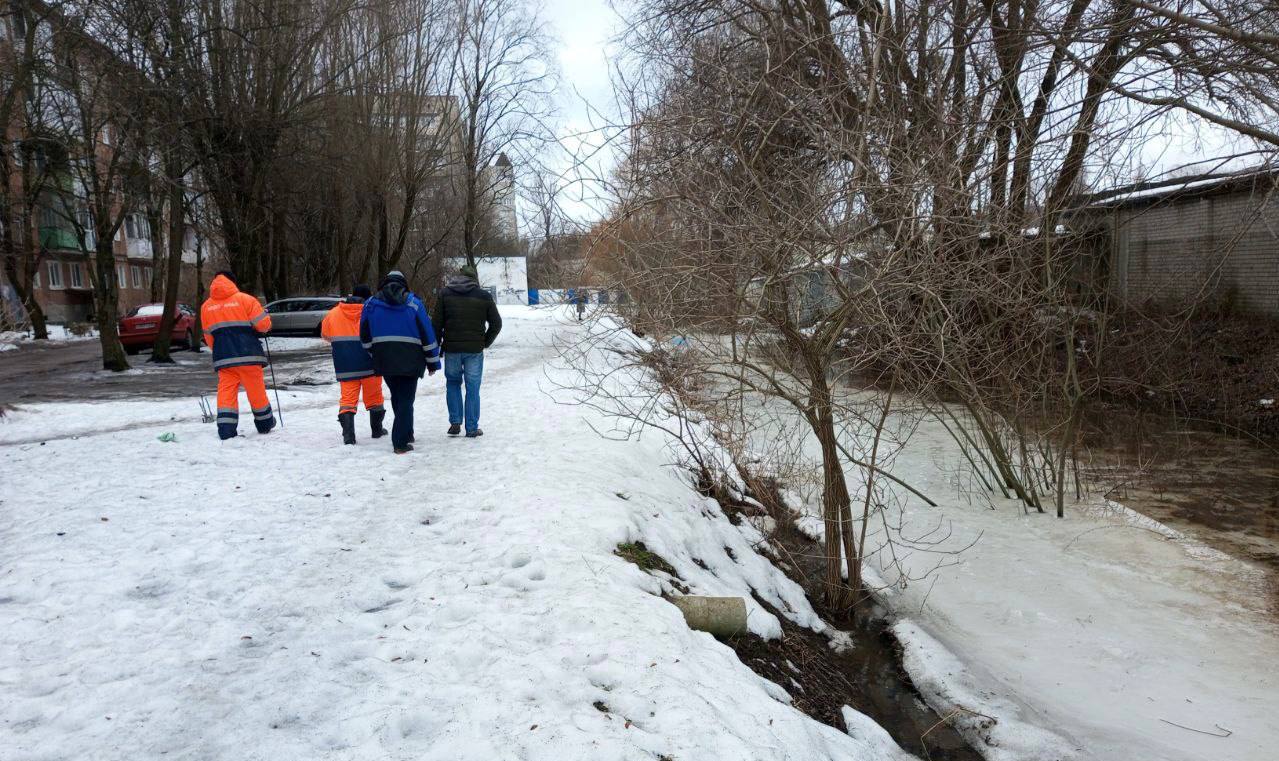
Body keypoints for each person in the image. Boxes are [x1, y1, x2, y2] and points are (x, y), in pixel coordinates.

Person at [360, 272, 441, 453]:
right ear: (404, 284)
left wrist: (373, 352)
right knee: (405, 399)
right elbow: (427, 334)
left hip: (385, 358)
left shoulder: (371, 305)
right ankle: (400, 442)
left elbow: (364, 335)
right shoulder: (414, 304)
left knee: (398, 397)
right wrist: (433, 362)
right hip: (411, 359)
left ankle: (407, 432)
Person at [200, 271, 275, 440]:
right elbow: (264, 326)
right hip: (249, 355)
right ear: (232, 282)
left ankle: (226, 430)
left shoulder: (206, 307)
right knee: (256, 391)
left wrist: (219, 350)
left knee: (226, 392)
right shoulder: (245, 300)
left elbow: (208, 337)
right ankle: (264, 424)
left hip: (224, 356)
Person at [432, 264, 501, 438]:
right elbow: (496, 323)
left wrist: (438, 345)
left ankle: (455, 422)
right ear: (474, 279)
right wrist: (485, 342)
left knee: (453, 383)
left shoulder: (445, 294)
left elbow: (436, 324)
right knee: (472, 387)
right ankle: (471, 428)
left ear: (459, 277)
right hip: (474, 350)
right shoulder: (483, 296)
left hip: (452, 349)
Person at [321, 284, 386, 445]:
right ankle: (377, 430)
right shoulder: (373, 312)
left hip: (345, 364)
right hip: (370, 363)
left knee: (348, 400)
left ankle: (349, 436)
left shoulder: (333, 313)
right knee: (374, 397)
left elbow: (325, 335)